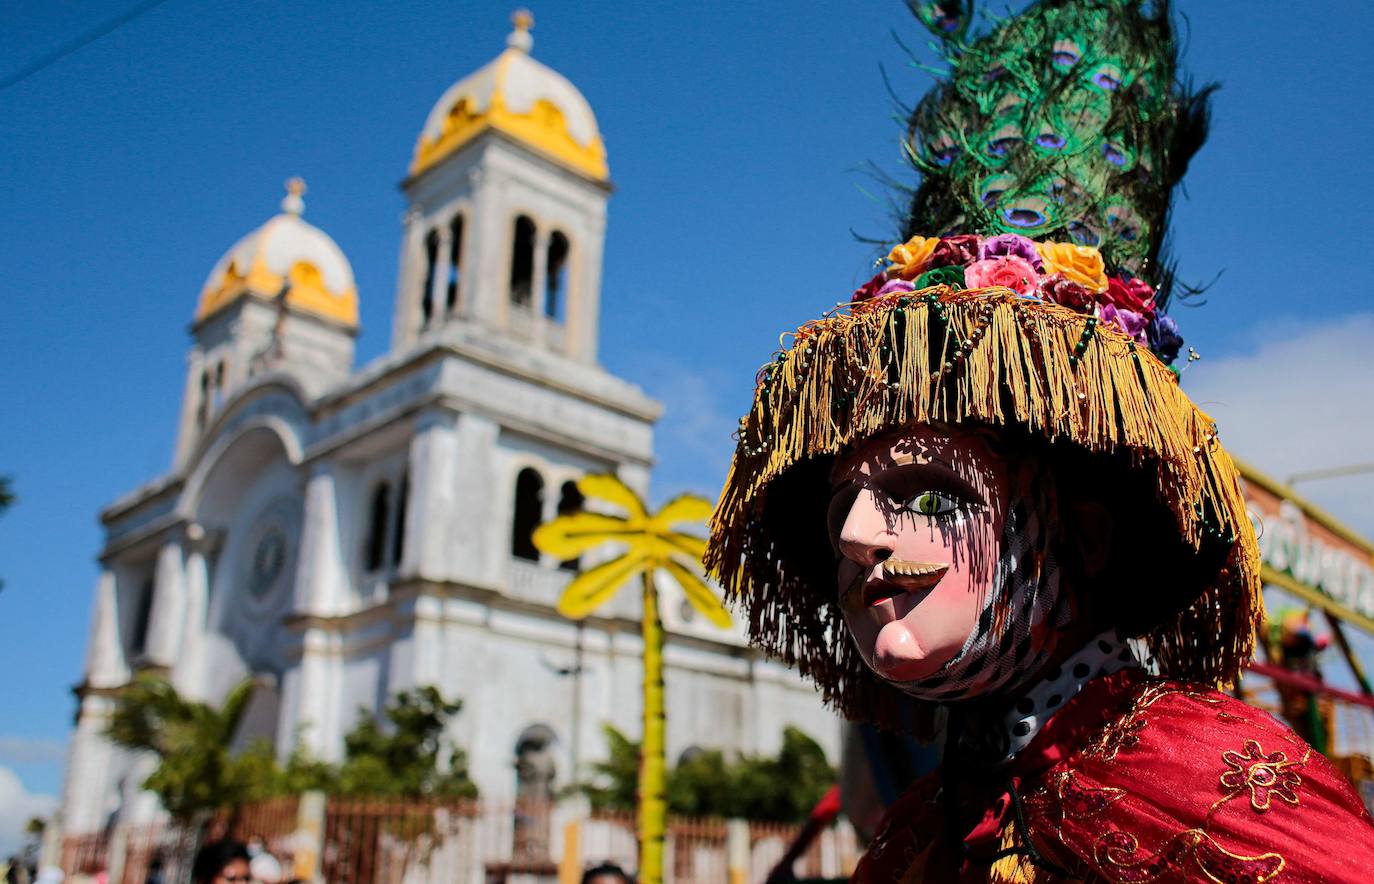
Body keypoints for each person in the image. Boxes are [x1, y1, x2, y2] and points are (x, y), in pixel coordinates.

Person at [705, 1, 1374, 880]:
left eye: (927, 492)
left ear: (1084, 538)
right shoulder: (913, 834)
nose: (857, 534)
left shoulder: (1205, 782)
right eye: (842, 503)